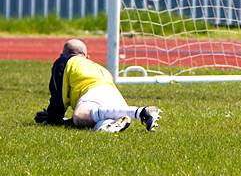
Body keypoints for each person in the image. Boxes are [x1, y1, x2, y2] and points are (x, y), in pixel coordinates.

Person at [34, 39, 162, 133]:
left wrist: (52, 118)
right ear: (87, 56)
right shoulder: (99, 67)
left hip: (92, 92)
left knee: (79, 116)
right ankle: (110, 125)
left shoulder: (65, 61)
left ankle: (140, 112)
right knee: (99, 125)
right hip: (115, 96)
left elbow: (59, 97)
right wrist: (63, 120)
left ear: (63, 55)